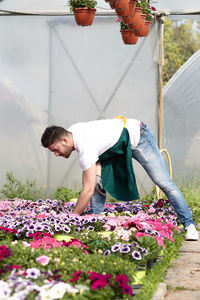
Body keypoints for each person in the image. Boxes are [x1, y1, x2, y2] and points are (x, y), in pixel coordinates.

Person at [41, 117, 199, 241]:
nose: (56, 154)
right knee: (96, 182)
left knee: (163, 182)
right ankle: (95, 221)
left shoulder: (85, 148)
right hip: (116, 145)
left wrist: (71, 217)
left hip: (138, 136)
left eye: (56, 150)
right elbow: (91, 184)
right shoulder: (72, 131)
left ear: (65, 141)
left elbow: (87, 191)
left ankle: (189, 225)